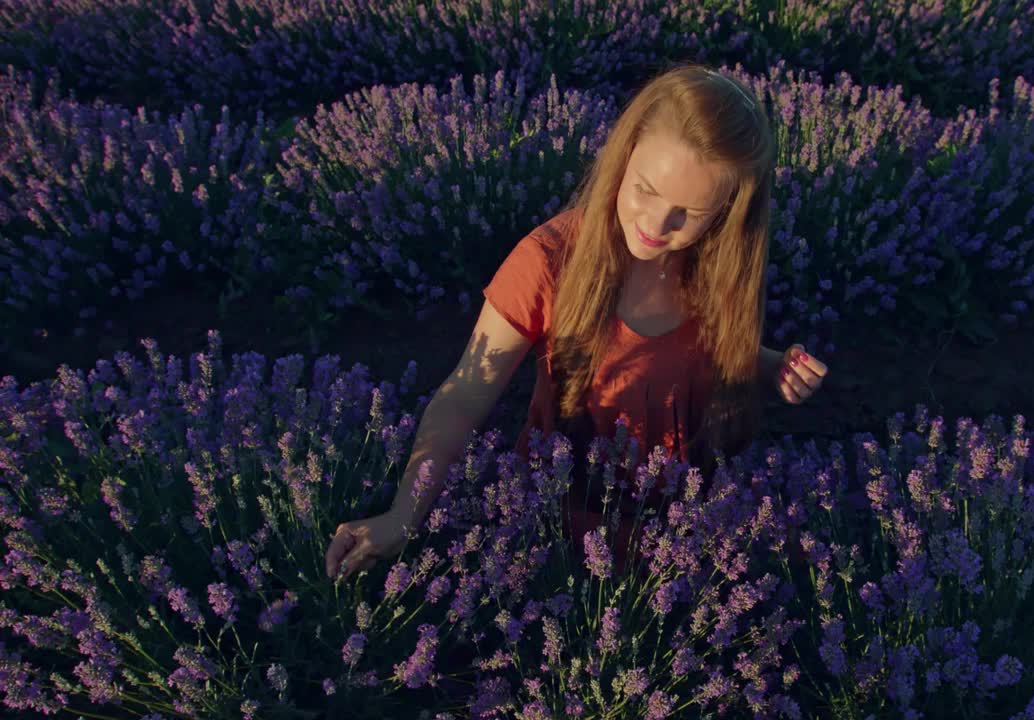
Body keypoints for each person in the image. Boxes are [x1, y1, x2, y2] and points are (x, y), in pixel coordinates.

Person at [325, 63, 829, 584]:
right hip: (562, 519)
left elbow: (698, 353)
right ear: (623, 155)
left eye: (689, 212)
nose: (657, 225)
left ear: (727, 211)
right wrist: (404, 516)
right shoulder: (549, 260)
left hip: (684, 517)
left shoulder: (716, 263)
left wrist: (772, 369)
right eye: (645, 190)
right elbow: (465, 394)